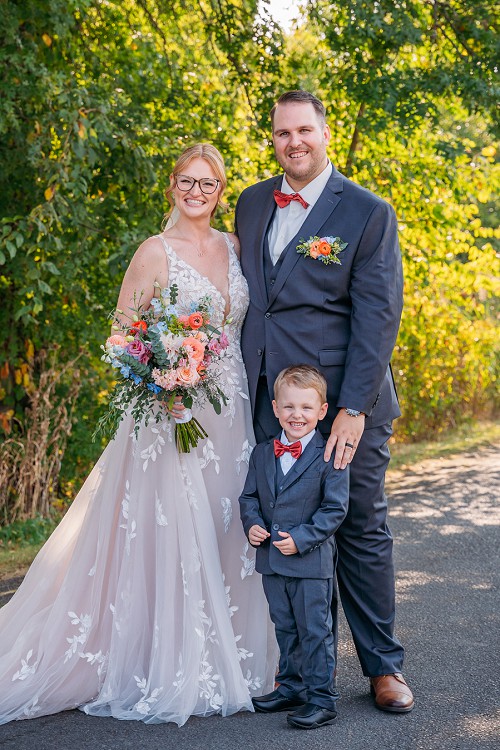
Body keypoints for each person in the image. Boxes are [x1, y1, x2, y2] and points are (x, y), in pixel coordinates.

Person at [0, 143, 277, 726]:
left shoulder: (233, 247)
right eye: (188, 182)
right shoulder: (154, 252)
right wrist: (163, 378)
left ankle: (234, 656)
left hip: (230, 408)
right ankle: (163, 657)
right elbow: (123, 335)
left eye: (209, 185)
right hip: (170, 412)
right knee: (175, 526)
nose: (197, 193)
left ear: (221, 191)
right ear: (172, 184)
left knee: (227, 523)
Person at [235, 90, 414, 712]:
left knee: (360, 527)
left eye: (304, 130)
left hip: (344, 408)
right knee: (287, 535)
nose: (295, 143)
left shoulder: (367, 212)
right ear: (274, 139)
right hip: (270, 404)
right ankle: (303, 675)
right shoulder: (252, 202)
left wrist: (353, 409)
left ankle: (383, 668)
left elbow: (378, 315)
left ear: (325, 133)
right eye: (283, 133)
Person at [239, 365, 349, 729]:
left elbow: (335, 509)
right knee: (284, 626)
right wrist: (253, 525)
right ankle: (291, 686)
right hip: (272, 563)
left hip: (310, 563)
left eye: (305, 408)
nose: (296, 415)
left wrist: (301, 540)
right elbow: (249, 498)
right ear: (275, 408)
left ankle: (322, 698)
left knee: (314, 630)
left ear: (321, 411)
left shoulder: (330, 454)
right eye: (289, 407)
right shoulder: (261, 453)